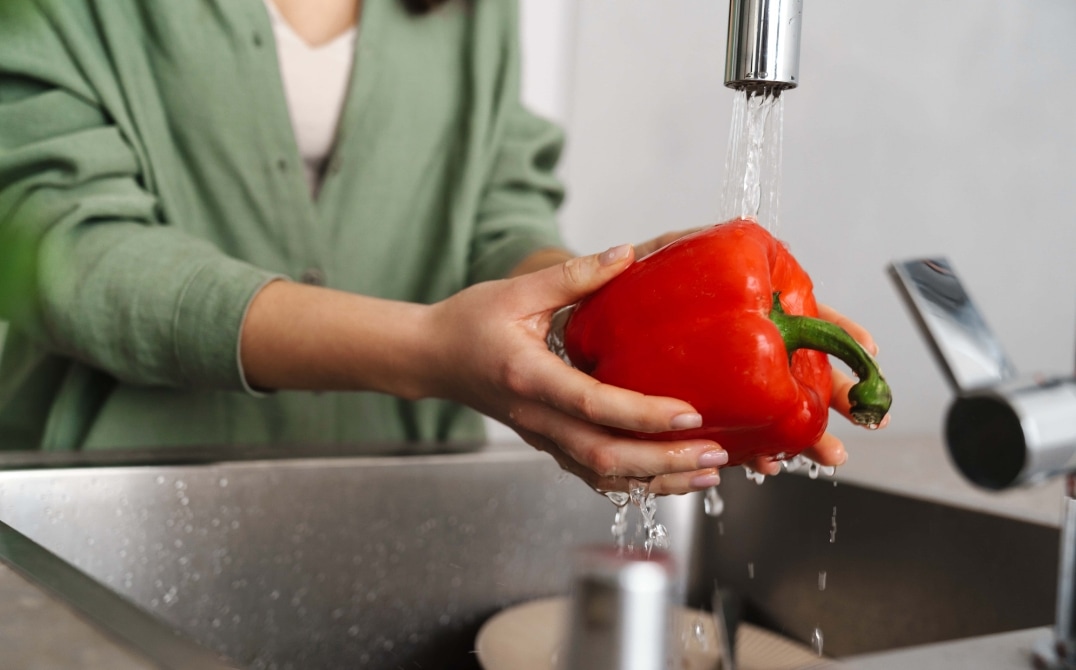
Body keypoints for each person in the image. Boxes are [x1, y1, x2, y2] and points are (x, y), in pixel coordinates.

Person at [0, 0, 881, 495]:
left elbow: (495, 213)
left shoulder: (470, 9)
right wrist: (427, 353)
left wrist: (609, 298)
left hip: (392, 494)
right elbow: (65, 248)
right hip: (110, 491)